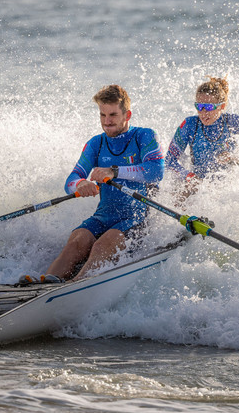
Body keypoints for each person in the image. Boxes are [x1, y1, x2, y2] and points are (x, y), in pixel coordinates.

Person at [20, 84, 165, 284]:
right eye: (102, 115)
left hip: (137, 217)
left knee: (104, 244)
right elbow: (71, 180)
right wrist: (80, 184)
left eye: (113, 115)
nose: (107, 122)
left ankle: (72, 287)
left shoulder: (144, 136)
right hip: (104, 216)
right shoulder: (96, 143)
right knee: (77, 240)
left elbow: (156, 172)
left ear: (127, 115)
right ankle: (43, 285)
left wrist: (114, 171)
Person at [165, 76, 239, 198]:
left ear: (222, 106)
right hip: (198, 183)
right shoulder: (189, 125)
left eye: (209, 107)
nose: (203, 112)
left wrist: (236, 158)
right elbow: (169, 161)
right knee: (182, 192)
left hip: (229, 187)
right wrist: (189, 176)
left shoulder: (234, 122)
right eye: (199, 107)